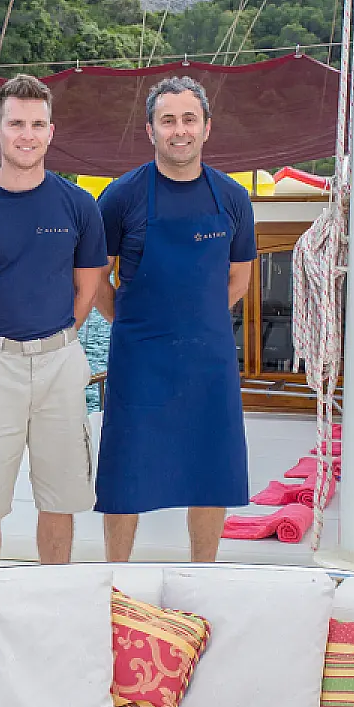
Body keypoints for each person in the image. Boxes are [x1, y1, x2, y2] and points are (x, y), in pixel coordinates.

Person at [0, 74, 108, 568]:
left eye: (36, 124)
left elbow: (88, 286)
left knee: (61, 497)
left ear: (51, 131)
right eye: (15, 124)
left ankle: (53, 592)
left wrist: (59, 337)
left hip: (59, 363)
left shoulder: (78, 205)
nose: (26, 135)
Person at [93, 75, 256, 564]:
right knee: (125, 474)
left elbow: (239, 279)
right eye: (168, 121)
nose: (179, 130)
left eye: (189, 119)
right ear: (151, 131)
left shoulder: (232, 198)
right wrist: (132, 324)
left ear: (207, 127)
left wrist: (197, 321)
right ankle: (116, 579)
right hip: (139, 361)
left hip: (209, 361)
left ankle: (202, 575)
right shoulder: (120, 198)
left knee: (211, 473)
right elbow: (95, 279)